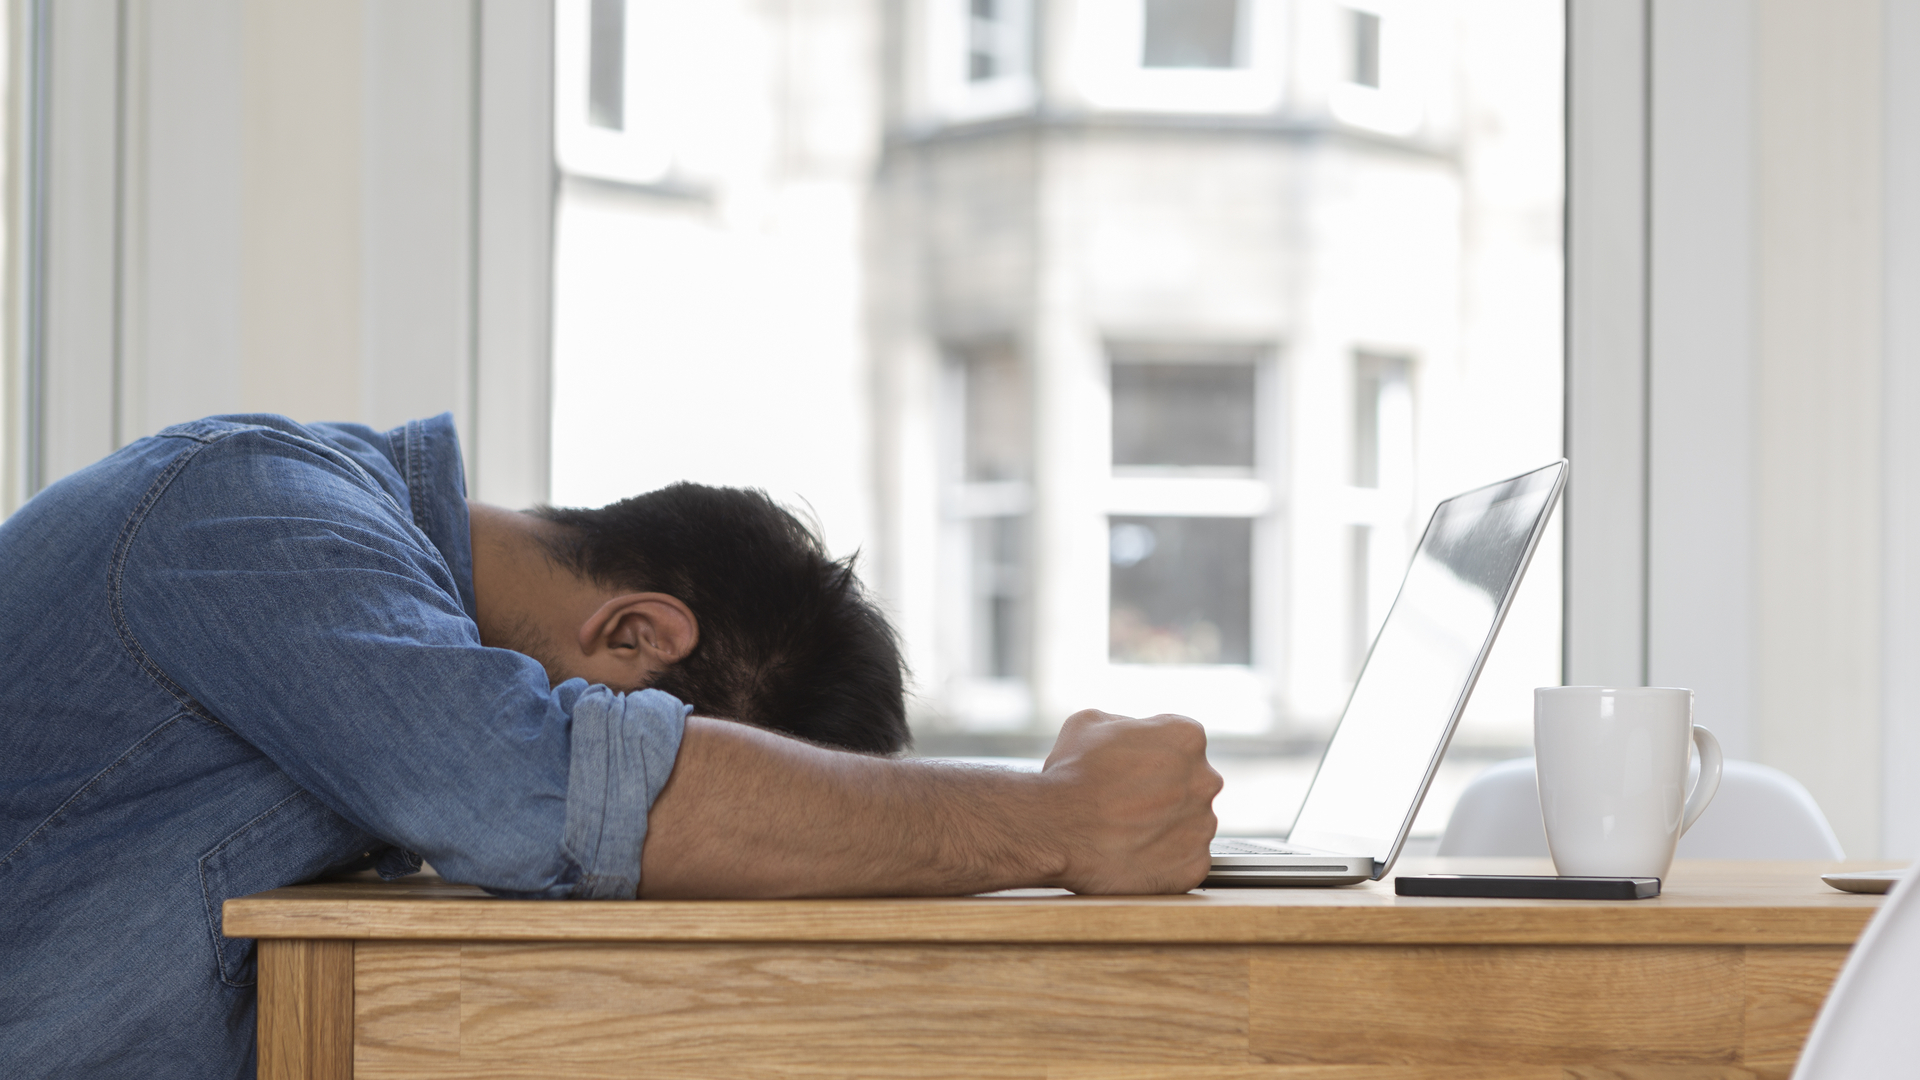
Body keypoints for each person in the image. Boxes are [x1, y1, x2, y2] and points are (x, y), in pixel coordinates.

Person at [0, 413, 1221, 1080]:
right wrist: (1061, 822)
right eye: (688, 753)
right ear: (637, 634)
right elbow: (547, 793)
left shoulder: (355, 637)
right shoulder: (251, 510)